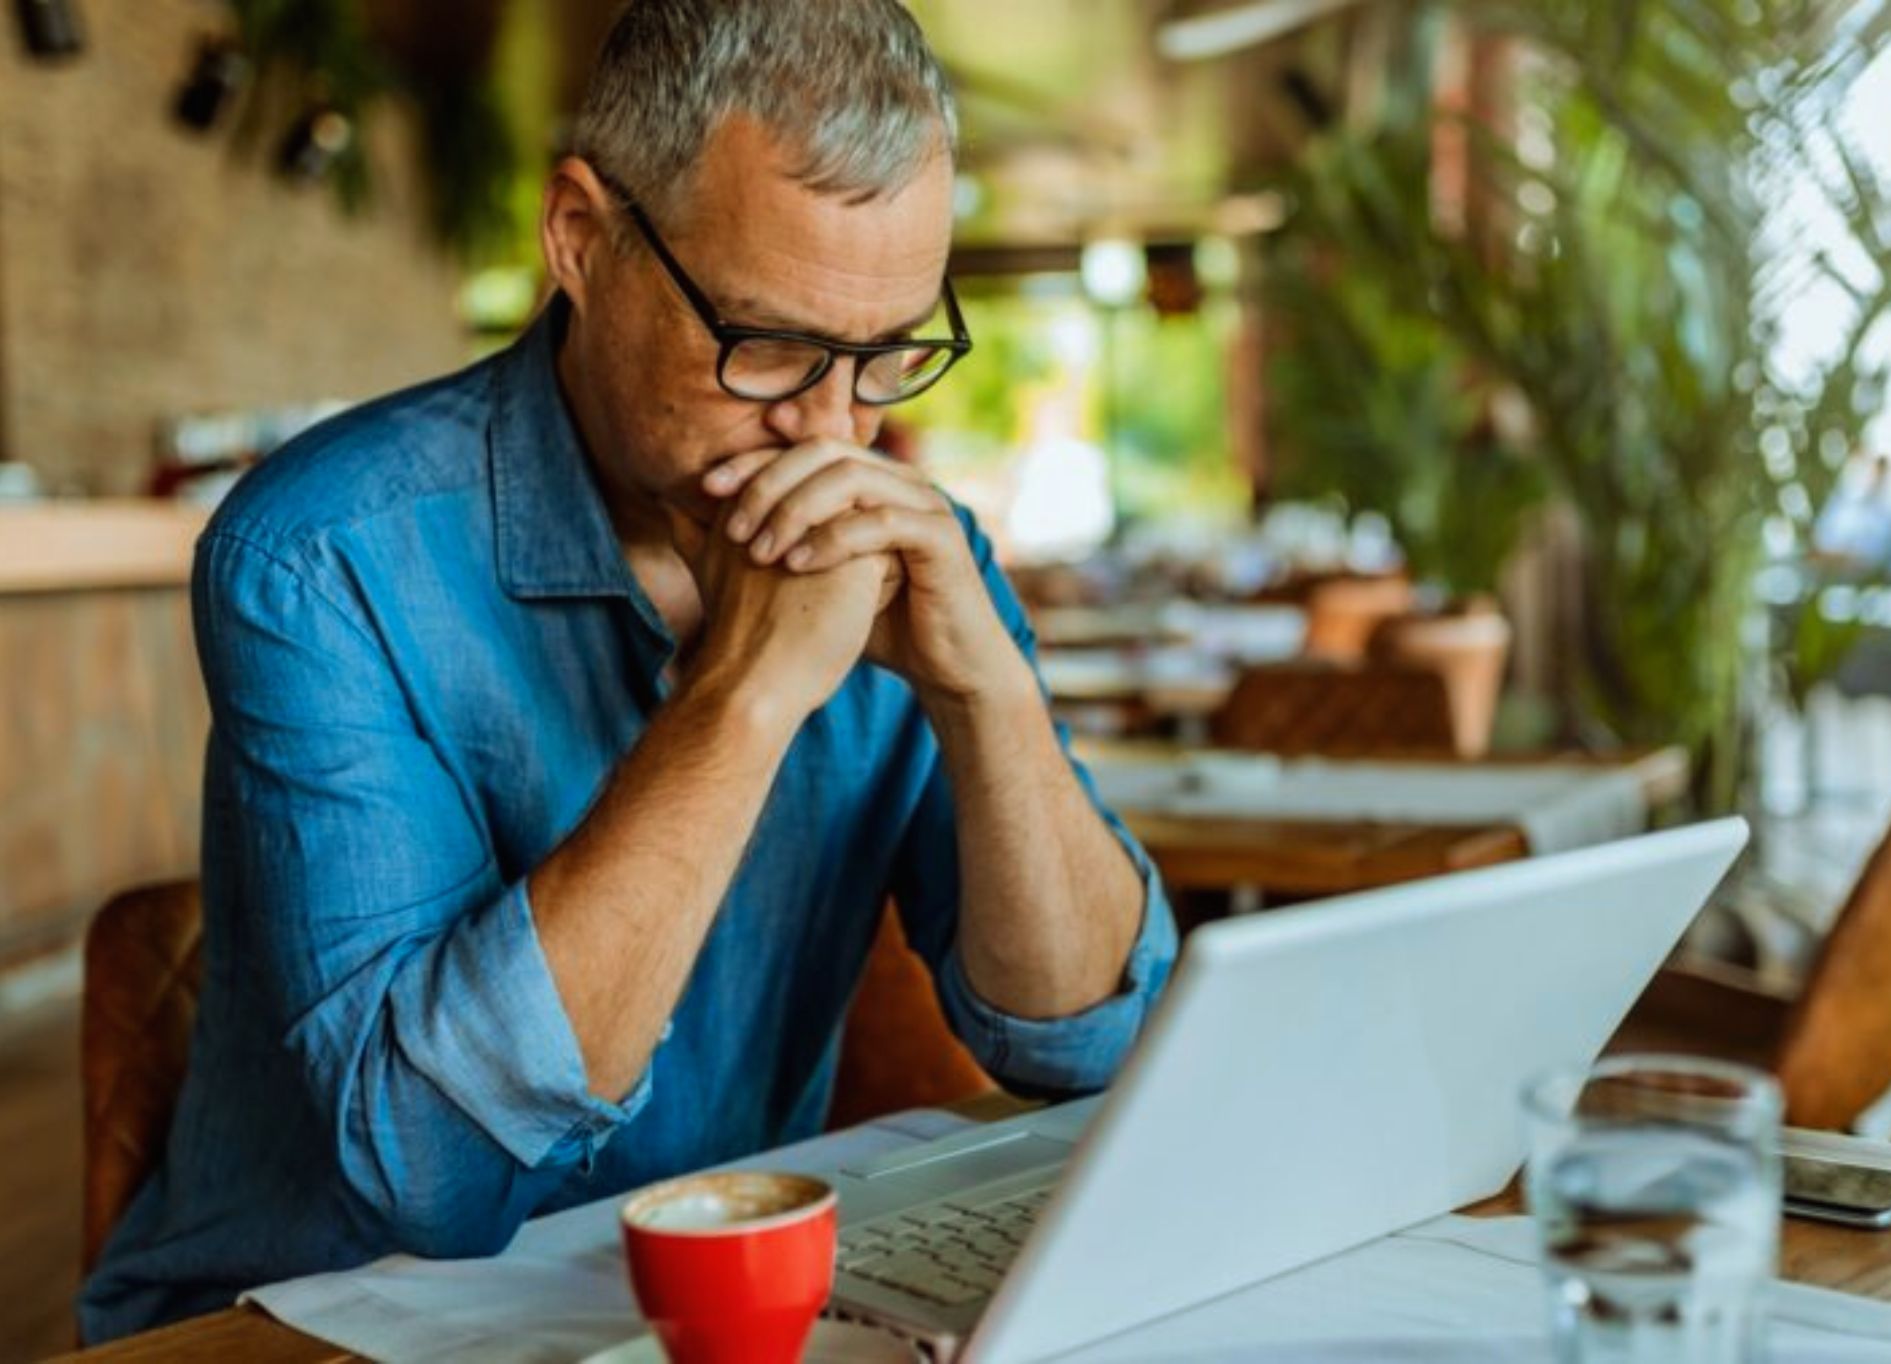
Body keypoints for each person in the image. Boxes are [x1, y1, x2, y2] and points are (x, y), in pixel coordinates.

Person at [80, 0, 1176, 1339]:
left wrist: (988, 692)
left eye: (890, 354)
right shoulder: (321, 557)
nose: (835, 430)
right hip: (297, 1328)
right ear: (582, 238)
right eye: (765, 342)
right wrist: (748, 693)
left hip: (699, 1317)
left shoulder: (900, 546)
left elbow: (1083, 1043)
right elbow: (432, 1173)